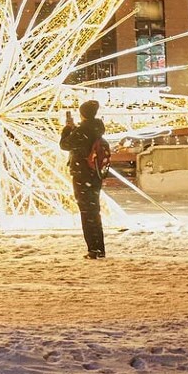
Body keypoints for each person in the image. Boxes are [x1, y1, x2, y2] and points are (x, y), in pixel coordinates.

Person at [59, 100, 107, 259]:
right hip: (95, 174)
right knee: (94, 211)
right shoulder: (97, 128)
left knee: (87, 213)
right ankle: (99, 247)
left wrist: (67, 130)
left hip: (83, 174)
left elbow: (65, 144)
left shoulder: (83, 130)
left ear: (83, 114)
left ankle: (93, 249)